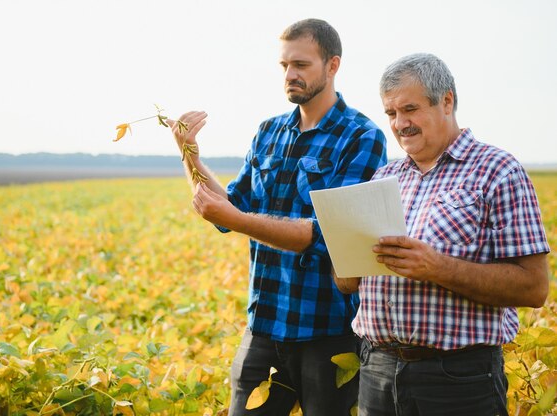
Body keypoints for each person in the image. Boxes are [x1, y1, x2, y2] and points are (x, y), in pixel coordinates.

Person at [168, 18, 387, 416]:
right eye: (284, 66)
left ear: (332, 65)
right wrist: (189, 152)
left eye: (301, 65)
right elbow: (229, 208)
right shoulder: (268, 132)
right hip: (264, 327)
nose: (290, 75)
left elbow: (327, 236)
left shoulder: (362, 137)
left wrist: (238, 220)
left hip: (328, 335)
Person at [333, 53, 550, 416]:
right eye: (391, 114)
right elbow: (347, 283)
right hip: (377, 370)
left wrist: (437, 267)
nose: (400, 123)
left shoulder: (497, 171)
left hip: (458, 378)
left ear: (446, 101)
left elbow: (533, 287)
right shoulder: (383, 178)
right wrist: (345, 261)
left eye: (410, 109)